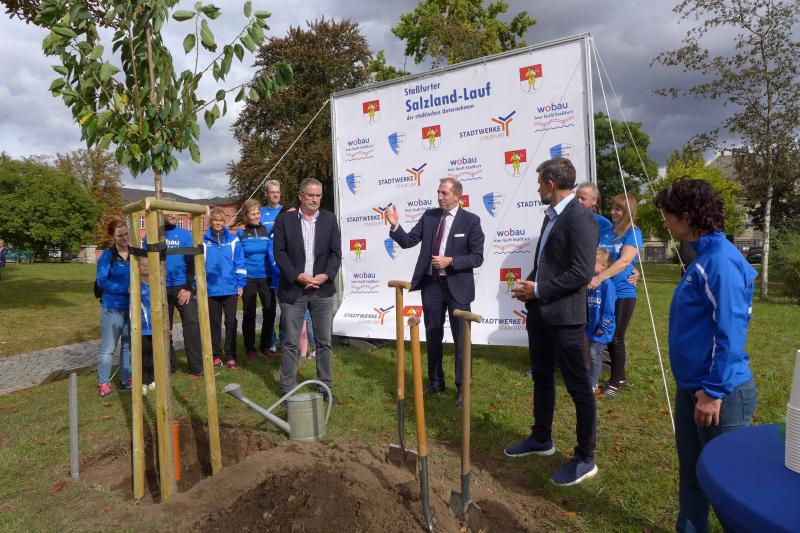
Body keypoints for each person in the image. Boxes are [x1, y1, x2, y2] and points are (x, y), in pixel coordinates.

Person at [654, 179, 758, 532]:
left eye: (668, 216)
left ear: (687, 216)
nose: (666, 224)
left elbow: (730, 332)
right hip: (694, 389)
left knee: (728, 487)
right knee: (693, 475)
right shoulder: (704, 257)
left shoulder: (720, 261)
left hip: (719, 394)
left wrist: (713, 392)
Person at [504, 157, 599, 486]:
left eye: (540, 184)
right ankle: (541, 438)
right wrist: (530, 287)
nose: (537, 189)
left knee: (578, 387)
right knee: (542, 377)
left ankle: (585, 457)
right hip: (541, 314)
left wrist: (539, 289)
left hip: (566, 319)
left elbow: (581, 273)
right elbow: (548, 264)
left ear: (551, 184)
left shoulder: (580, 217)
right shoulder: (551, 216)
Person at [386, 177, 485, 405]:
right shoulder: (430, 216)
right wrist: (395, 225)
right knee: (432, 333)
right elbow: (408, 241)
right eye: (438, 192)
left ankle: (462, 387)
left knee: (461, 337)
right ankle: (436, 382)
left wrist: (451, 260)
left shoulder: (471, 221)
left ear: (457, 196)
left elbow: (477, 257)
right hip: (432, 285)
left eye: (444, 193)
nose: (439, 197)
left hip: (458, 287)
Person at [273, 178, 341, 401]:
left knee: (324, 342)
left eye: (318, 195)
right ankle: (287, 390)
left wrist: (325, 275)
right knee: (290, 343)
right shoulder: (284, 220)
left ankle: (325, 388)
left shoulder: (329, 219)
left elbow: (336, 253)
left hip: (322, 289)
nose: (315, 199)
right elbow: (279, 253)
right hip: (294, 288)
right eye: (310, 195)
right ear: (300, 196)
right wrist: (297, 276)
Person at [590, 193, 643, 398]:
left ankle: (614, 385)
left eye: (618, 209)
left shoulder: (633, 232)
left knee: (616, 337)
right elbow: (602, 258)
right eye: (612, 208)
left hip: (623, 292)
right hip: (605, 291)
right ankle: (619, 377)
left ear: (628, 211)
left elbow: (624, 260)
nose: (613, 212)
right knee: (610, 336)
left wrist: (599, 278)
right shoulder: (606, 232)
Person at [203, 208, 246, 369]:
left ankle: (230, 355)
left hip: (230, 288)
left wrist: (240, 285)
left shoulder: (233, 240)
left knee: (231, 322)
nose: (218, 223)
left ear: (224, 221)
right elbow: (198, 265)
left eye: (221, 220)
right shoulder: (203, 240)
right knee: (214, 323)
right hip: (211, 289)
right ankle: (215, 355)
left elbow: (240, 263)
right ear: (211, 221)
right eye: (215, 220)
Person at [162, 213, 204, 376]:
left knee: (192, 323)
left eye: (175, 212)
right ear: (161, 212)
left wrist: (188, 288)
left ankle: (196, 366)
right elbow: (146, 263)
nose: (173, 214)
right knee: (164, 328)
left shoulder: (185, 234)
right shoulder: (154, 233)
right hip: (161, 287)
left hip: (182, 287)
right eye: (169, 211)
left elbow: (192, 263)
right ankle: (169, 366)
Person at [95, 220, 132, 396]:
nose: (124, 238)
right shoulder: (107, 256)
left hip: (131, 307)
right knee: (109, 348)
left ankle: (126, 379)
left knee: (128, 345)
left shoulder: (135, 253)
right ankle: (103, 383)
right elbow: (101, 281)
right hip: (113, 308)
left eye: (126, 234)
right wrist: (124, 289)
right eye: (120, 235)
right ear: (113, 237)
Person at [237, 199, 272, 362]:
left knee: (270, 311)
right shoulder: (240, 233)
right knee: (249, 313)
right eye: (253, 214)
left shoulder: (267, 230)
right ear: (246, 216)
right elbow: (236, 257)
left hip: (266, 276)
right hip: (249, 278)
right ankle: (250, 348)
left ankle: (266, 345)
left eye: (258, 213)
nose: (257, 216)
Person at [259, 180, 284, 358]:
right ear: (266, 194)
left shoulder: (286, 211)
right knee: (269, 308)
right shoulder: (260, 213)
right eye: (272, 192)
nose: (275, 195)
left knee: (287, 307)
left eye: (278, 192)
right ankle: (271, 342)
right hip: (265, 268)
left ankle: (284, 338)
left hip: (282, 268)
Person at [587, 248, 616, 392]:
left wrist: (603, 326)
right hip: (591, 326)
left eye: (593, 263)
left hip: (602, 328)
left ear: (604, 266)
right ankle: (588, 379)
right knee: (589, 353)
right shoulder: (588, 282)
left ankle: (593, 384)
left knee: (594, 352)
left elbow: (609, 309)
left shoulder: (607, 284)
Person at [138, 256, 155, 393]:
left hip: (155, 328)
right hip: (142, 328)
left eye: (148, 263)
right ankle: (143, 381)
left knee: (154, 354)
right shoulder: (135, 285)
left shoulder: (157, 285)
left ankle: (153, 379)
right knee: (143, 355)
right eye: (142, 264)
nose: (145, 265)